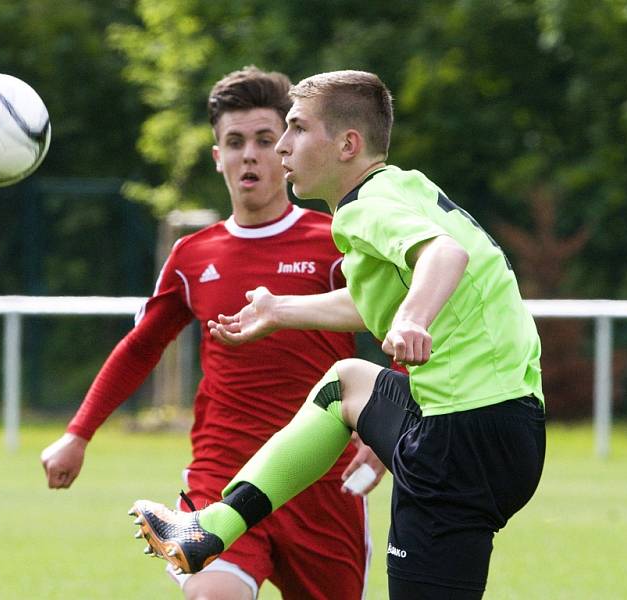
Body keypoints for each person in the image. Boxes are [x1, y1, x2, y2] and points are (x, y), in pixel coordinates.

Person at [131, 70, 547, 600]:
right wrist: (279, 309)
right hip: (510, 424)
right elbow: (379, 298)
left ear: (348, 144)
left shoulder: (363, 208)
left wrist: (414, 317)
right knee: (345, 384)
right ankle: (213, 528)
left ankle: (212, 528)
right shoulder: (404, 186)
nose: (282, 145)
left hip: (457, 439)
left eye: (298, 129)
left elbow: (444, 255)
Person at [41, 66, 386, 600]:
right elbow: (142, 345)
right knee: (213, 595)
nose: (250, 154)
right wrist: (78, 433)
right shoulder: (191, 255)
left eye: (266, 140)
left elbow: (400, 325)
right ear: (217, 156)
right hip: (221, 476)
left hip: (321, 484)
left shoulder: (335, 240)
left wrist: (390, 435)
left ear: (288, 148)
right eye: (235, 141)